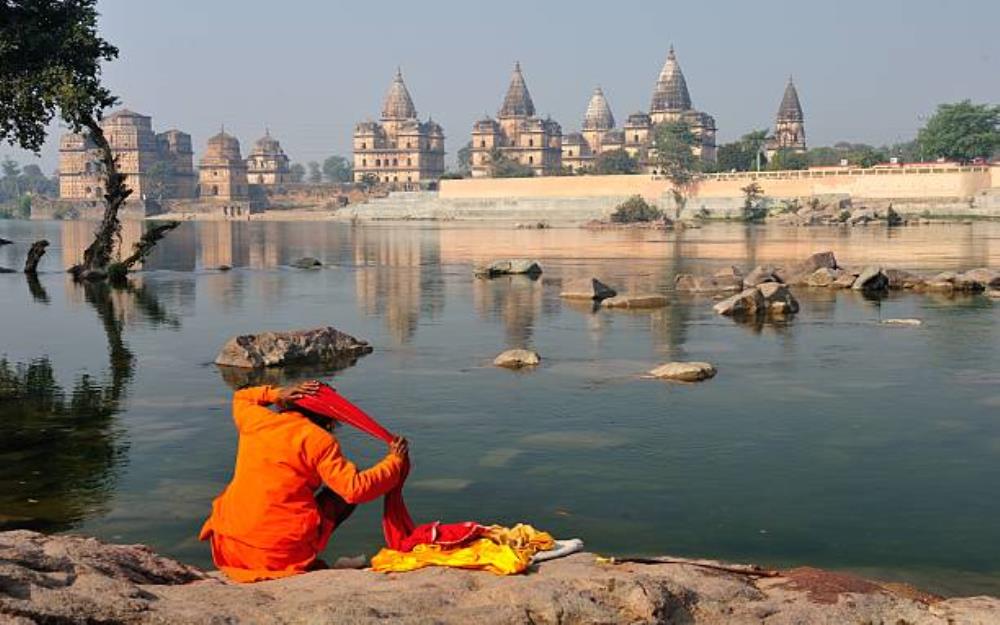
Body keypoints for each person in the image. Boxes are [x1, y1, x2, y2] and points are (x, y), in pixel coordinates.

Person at [199, 380, 408, 582]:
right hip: (281, 556)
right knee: (341, 493)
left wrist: (276, 393)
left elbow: (241, 397)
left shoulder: (257, 420)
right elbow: (355, 490)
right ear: (328, 418)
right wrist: (393, 462)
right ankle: (304, 557)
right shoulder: (319, 440)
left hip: (233, 548)